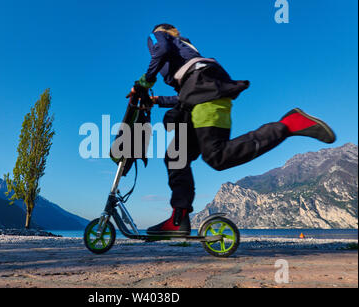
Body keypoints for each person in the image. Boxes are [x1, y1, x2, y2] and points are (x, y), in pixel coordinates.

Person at [130, 23, 336, 236]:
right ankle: (178, 219)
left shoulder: (158, 36)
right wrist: (156, 100)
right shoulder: (187, 52)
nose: (152, 48)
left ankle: (288, 125)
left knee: (217, 157)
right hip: (202, 94)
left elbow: (161, 51)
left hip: (205, 94)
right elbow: (187, 92)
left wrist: (145, 82)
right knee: (176, 156)